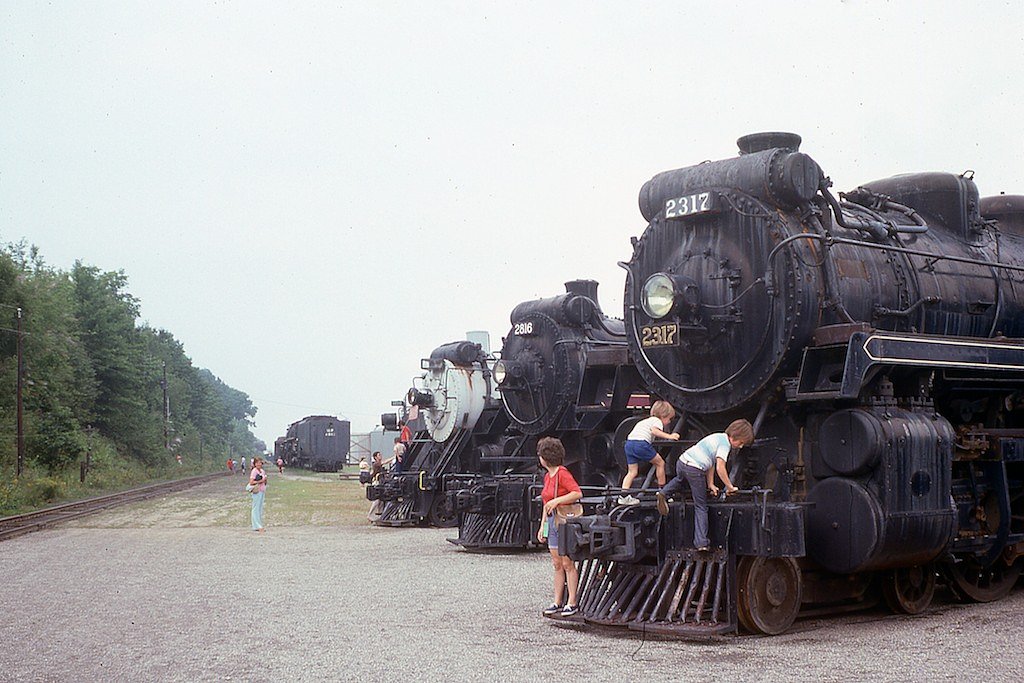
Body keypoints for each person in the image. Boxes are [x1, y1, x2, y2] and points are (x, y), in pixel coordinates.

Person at [655, 419, 754, 551]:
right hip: (695, 469)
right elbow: (720, 467)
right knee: (701, 506)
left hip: (682, 461)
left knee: (679, 479)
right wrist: (730, 486)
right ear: (734, 436)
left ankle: (664, 492)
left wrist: (711, 484)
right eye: (741, 443)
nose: (740, 446)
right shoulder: (725, 445)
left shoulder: (717, 436)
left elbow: (710, 463)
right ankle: (701, 542)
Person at [536, 436, 583, 618]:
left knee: (567, 562)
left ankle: (572, 602)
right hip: (552, 521)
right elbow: (546, 504)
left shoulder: (562, 473)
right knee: (557, 563)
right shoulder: (548, 476)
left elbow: (576, 492)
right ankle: (557, 601)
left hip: (564, 521)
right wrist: (542, 527)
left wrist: (557, 501)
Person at [618, 400, 679, 504]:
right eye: (670, 419)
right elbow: (655, 431)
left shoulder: (645, 421)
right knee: (660, 463)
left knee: (632, 472)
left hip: (629, 444)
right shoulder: (657, 421)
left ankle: (623, 496)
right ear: (663, 416)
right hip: (641, 444)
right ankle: (662, 492)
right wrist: (670, 436)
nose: (669, 422)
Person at [249, 456, 268, 532]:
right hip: (257, 491)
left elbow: (265, 482)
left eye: (260, 462)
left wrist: (265, 480)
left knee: (260, 509)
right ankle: (257, 526)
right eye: (257, 463)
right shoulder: (254, 471)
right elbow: (251, 482)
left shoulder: (262, 471)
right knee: (255, 508)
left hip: (262, 490)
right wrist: (261, 481)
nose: (259, 464)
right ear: (255, 464)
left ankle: (258, 525)